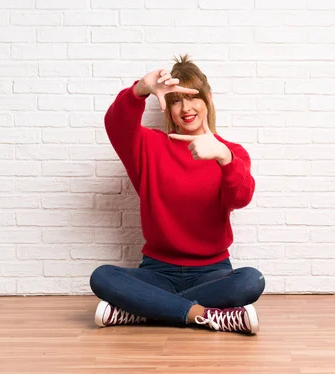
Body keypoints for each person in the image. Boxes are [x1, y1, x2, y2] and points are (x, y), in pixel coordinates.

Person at [88, 54, 265, 335]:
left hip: (213, 273)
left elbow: (240, 198)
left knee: (251, 281)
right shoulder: (149, 146)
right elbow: (115, 124)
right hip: (157, 272)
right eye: (175, 101)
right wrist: (140, 90)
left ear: (207, 99)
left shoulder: (231, 152)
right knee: (102, 277)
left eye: (192, 97)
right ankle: (205, 315)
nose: (186, 108)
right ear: (167, 109)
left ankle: (142, 311)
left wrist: (225, 157)